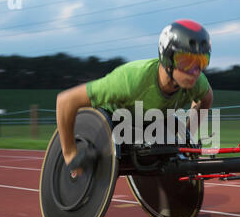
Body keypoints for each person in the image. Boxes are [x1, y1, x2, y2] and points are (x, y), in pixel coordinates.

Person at [56, 19, 214, 174]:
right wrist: (70, 153)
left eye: (201, 61)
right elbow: (66, 101)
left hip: (150, 122)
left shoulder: (197, 83)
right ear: (167, 58)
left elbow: (206, 100)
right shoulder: (129, 80)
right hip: (113, 121)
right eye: (185, 61)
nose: (194, 71)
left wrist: (187, 137)